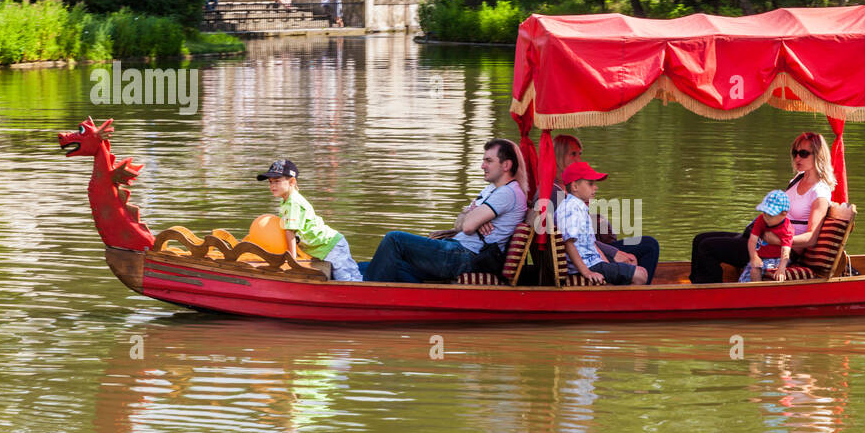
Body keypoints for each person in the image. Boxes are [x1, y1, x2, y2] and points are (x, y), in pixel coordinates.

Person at [363, 140, 528, 283]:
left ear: (506, 165)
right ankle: (414, 300)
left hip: (466, 256)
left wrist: (472, 217)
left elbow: (468, 226)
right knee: (386, 263)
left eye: (488, 160)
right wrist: (475, 217)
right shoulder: (492, 190)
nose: (482, 165)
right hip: (456, 249)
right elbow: (459, 223)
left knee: (394, 240)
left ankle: (368, 294)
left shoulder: (507, 193)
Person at [689, 130, 836, 283]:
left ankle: (710, 295)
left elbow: (811, 238)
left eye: (804, 153)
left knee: (707, 247)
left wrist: (778, 241)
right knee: (700, 239)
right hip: (764, 240)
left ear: (818, 156)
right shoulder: (797, 180)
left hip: (780, 250)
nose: (797, 157)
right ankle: (695, 287)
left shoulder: (819, 192)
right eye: (795, 153)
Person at [549, 134, 660, 284]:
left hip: (592, 257)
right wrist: (596, 265)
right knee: (647, 251)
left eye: (579, 154)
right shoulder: (561, 199)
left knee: (641, 267)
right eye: (573, 154)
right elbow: (569, 242)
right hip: (586, 263)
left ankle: (626, 292)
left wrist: (609, 262)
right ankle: (636, 300)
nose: (578, 159)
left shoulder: (575, 201)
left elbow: (591, 242)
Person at [257, 159, 361, 282]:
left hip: (331, 245)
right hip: (320, 248)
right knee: (343, 276)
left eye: (277, 181)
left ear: (292, 182)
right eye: (270, 182)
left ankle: (365, 294)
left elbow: (290, 232)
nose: (272, 186)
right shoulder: (285, 200)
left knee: (347, 279)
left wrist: (293, 260)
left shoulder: (293, 202)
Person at [556, 161, 648, 285]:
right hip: (586, 266)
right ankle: (625, 302)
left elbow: (592, 244)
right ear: (575, 187)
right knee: (640, 275)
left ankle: (618, 298)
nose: (596, 187)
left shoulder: (578, 208)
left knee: (636, 266)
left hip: (593, 262)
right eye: (590, 184)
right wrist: (587, 272)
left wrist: (606, 264)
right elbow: (568, 243)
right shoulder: (570, 209)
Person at [740, 191, 794, 282]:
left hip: (777, 259)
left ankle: (758, 293)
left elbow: (786, 251)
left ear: (783, 214)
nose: (765, 217)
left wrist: (781, 269)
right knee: (744, 277)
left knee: (755, 270)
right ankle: (748, 291)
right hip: (761, 257)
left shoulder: (787, 228)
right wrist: (754, 257)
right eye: (764, 213)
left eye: (770, 215)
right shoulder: (761, 219)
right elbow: (752, 240)